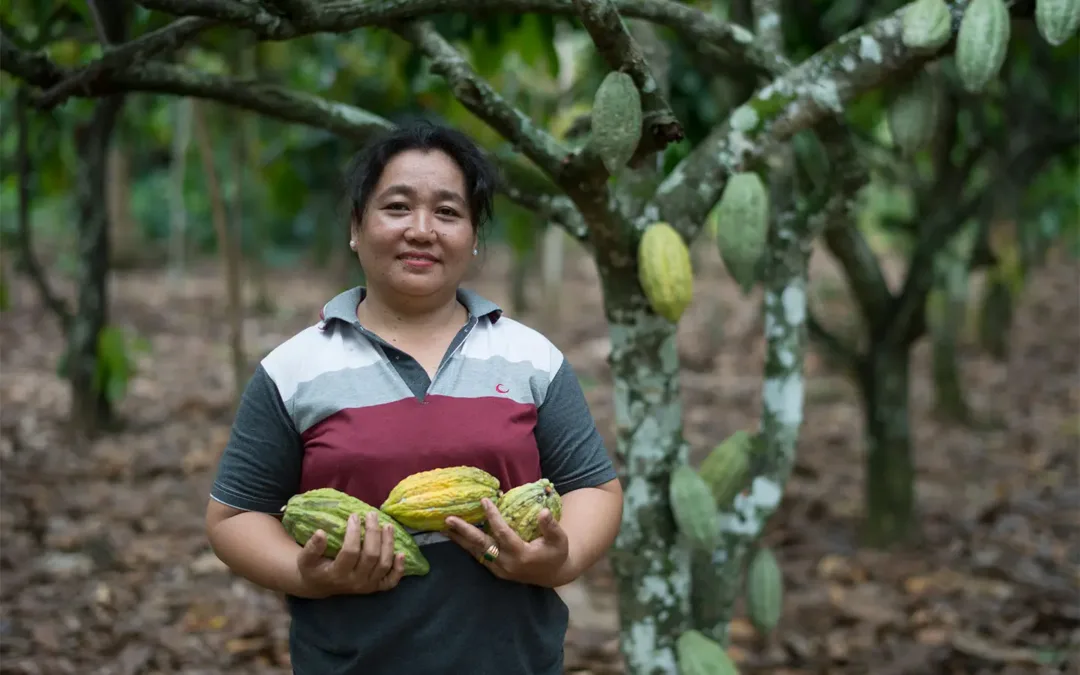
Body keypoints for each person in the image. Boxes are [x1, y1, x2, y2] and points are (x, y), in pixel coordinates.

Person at [203, 119, 624, 675]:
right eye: (397, 207)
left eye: (448, 212)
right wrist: (307, 573)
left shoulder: (531, 358)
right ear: (356, 226)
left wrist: (557, 557)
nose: (421, 230)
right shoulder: (294, 369)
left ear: (474, 237)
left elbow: (593, 487)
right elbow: (234, 517)